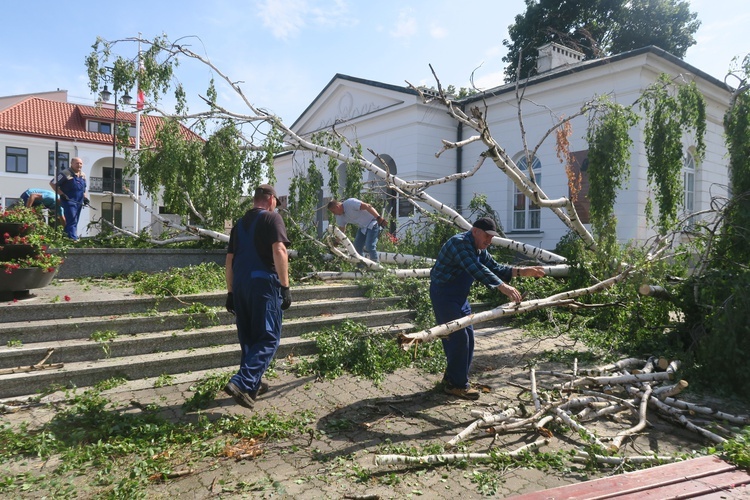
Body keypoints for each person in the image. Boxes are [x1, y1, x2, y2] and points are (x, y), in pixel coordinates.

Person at [430, 217, 546, 400]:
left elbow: (494, 267)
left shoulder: (478, 248)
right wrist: (503, 287)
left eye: (492, 237)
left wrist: (522, 271)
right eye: (487, 236)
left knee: (468, 338)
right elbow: (477, 269)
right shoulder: (459, 244)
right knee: (458, 339)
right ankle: (457, 385)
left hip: (459, 298)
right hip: (444, 296)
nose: (489, 241)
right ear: (475, 231)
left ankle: (454, 380)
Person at [224, 184, 292, 409]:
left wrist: (231, 292)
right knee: (269, 337)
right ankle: (242, 381)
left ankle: (251, 386)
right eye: (275, 202)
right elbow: (280, 251)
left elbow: (229, 260)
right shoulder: (272, 219)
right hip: (263, 285)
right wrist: (285, 287)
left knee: (251, 339)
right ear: (271, 199)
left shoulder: (239, 225)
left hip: (242, 286)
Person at [327, 198, 387, 262]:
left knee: (369, 246)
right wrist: (336, 242)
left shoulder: (350, 203)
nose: (334, 214)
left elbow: (367, 206)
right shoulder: (339, 216)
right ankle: (362, 266)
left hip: (372, 223)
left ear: (337, 207)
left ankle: (376, 266)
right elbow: (341, 230)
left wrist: (379, 218)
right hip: (362, 228)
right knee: (357, 247)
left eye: (333, 211)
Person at [50, 157, 89, 240]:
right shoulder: (64, 173)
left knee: (75, 221)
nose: (79, 165)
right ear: (71, 163)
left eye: (80, 163)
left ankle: (66, 237)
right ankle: (72, 239)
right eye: (77, 163)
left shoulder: (83, 175)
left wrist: (85, 198)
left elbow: (83, 188)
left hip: (79, 202)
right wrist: (62, 194)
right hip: (69, 201)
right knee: (72, 220)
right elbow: (52, 183)